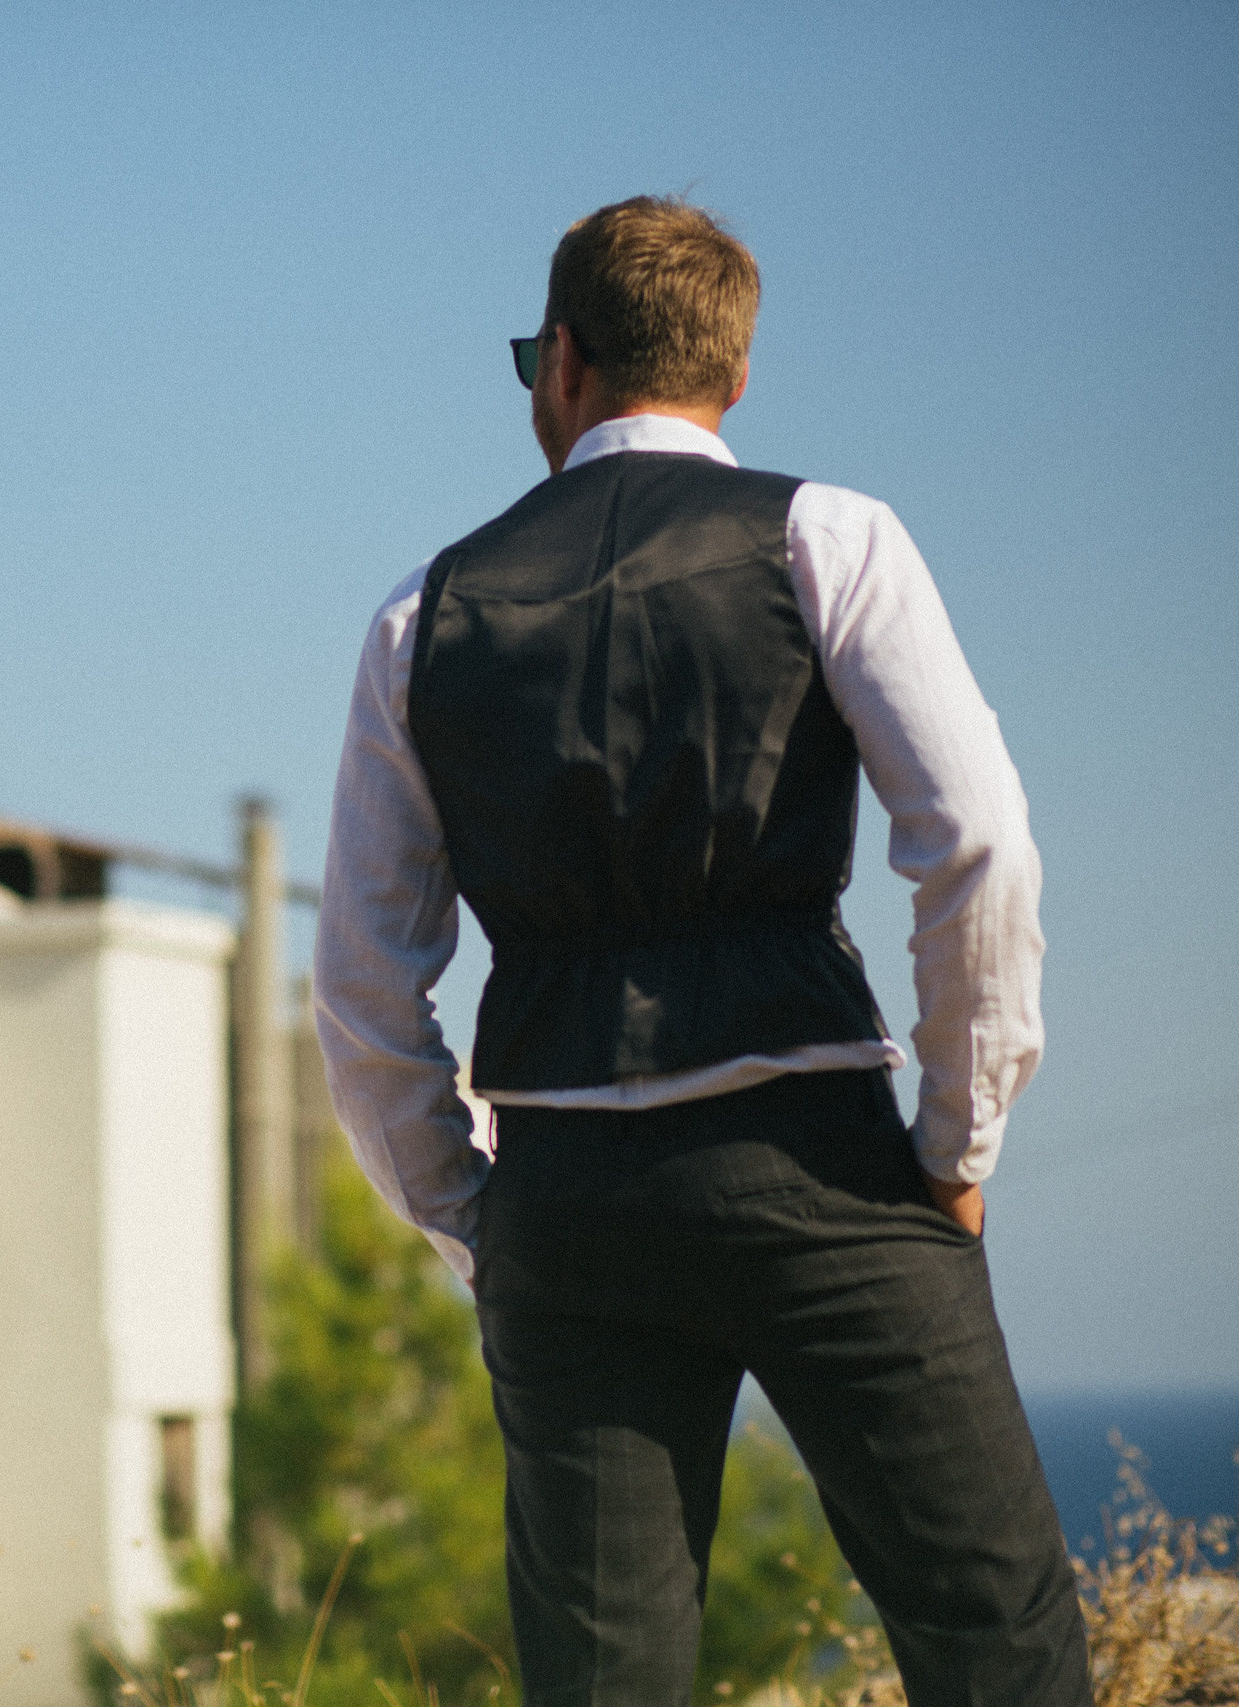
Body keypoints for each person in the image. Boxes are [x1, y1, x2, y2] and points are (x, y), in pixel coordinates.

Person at [313, 198, 1090, 1706]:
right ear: (735, 374)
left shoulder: (425, 615)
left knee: (604, 1684)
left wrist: (475, 1219)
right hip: (820, 1166)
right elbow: (977, 843)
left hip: (565, 1200)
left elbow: (360, 984)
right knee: (995, 1639)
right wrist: (956, 1142)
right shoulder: (828, 537)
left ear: (564, 362)